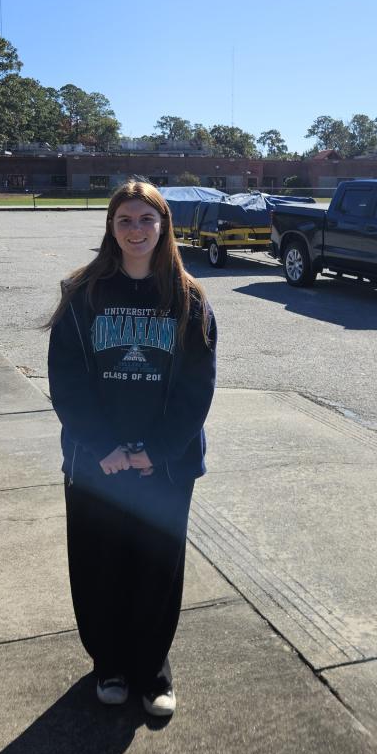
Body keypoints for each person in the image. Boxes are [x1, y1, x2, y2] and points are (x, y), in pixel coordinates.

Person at [46, 180, 217, 717]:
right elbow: (66, 381)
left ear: (164, 226)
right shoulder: (82, 293)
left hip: (165, 466)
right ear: (111, 227)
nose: (136, 229)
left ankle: (152, 668)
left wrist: (156, 451)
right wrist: (105, 448)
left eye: (147, 219)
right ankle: (111, 664)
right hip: (95, 463)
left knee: (156, 566)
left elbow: (197, 387)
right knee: (99, 565)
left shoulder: (189, 298)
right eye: (125, 219)